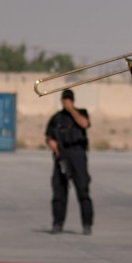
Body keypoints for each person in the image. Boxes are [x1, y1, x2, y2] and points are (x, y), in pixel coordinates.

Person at [45, 88, 93, 233]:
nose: (66, 102)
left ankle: (87, 225)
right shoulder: (56, 118)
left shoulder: (81, 113)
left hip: (77, 153)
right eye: (64, 100)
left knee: (83, 190)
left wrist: (71, 110)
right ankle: (57, 223)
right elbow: (49, 136)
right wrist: (52, 145)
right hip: (62, 154)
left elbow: (84, 124)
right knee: (59, 191)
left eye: (69, 100)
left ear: (73, 100)